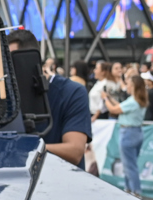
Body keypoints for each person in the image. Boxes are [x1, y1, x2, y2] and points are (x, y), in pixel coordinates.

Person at [7, 31, 91, 167]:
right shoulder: (6, 97)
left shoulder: (72, 92)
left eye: (10, 63)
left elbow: (74, 151)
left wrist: (25, 149)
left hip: (62, 181)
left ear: (29, 60)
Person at [103, 68, 148, 194]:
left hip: (128, 133)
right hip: (136, 132)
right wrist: (110, 98)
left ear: (133, 86)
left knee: (129, 165)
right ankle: (129, 190)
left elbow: (114, 110)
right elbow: (119, 106)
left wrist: (105, 99)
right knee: (130, 163)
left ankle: (135, 191)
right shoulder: (137, 100)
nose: (126, 86)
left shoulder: (133, 101)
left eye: (128, 84)